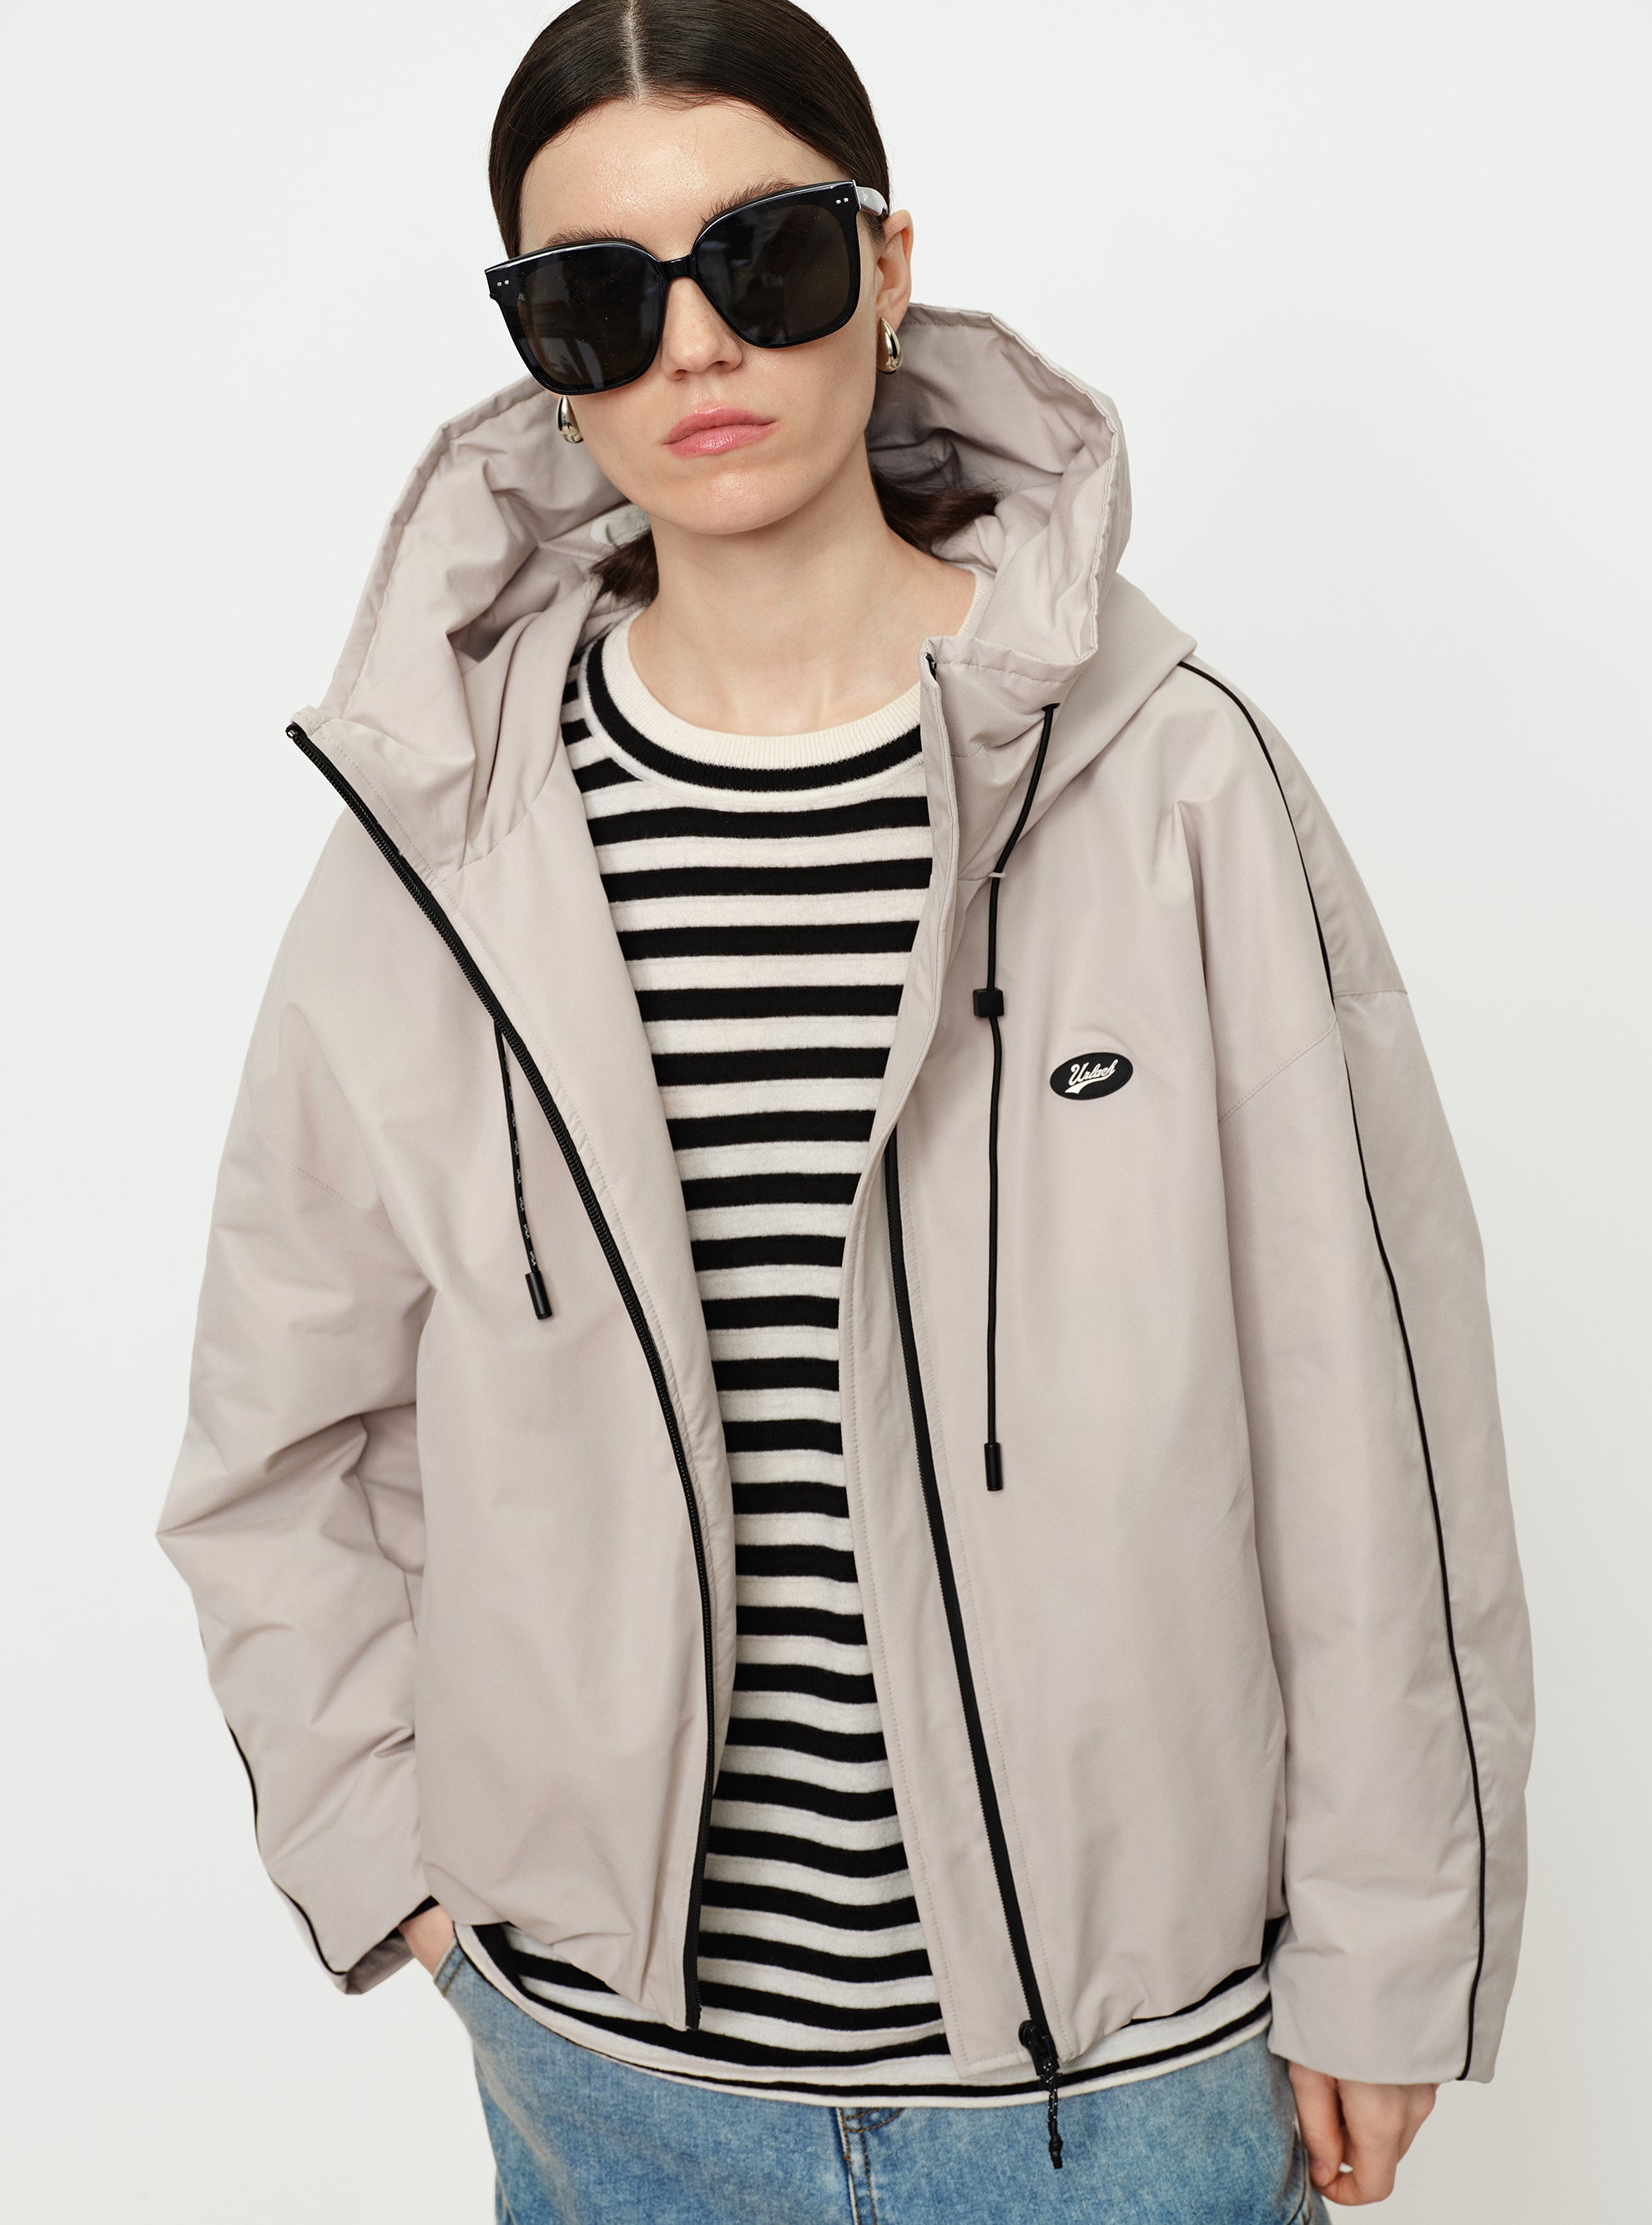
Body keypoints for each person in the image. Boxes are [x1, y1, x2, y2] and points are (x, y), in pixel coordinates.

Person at [158, 3, 1534, 2217]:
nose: (696, 343)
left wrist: (1387, 1952)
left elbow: (1375, 1415)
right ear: (544, 357)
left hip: (1120, 2092)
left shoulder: (1172, 781)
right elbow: (279, 1428)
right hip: (613, 2089)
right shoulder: (446, 845)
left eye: (765, 255)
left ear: (889, 264)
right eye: (600, 297)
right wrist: (396, 1865)